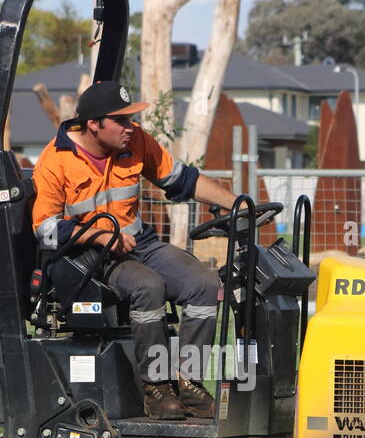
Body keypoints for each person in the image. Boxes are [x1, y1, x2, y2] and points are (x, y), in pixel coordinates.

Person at [31, 81, 239, 420]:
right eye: (122, 121)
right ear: (94, 124)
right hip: (90, 258)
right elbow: (46, 230)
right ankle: (156, 388)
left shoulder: (136, 141)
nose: (130, 128)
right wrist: (99, 236)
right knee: (149, 286)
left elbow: (182, 180)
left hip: (138, 243)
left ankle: (189, 382)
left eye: (131, 120)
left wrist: (237, 204)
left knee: (205, 284)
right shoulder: (55, 161)